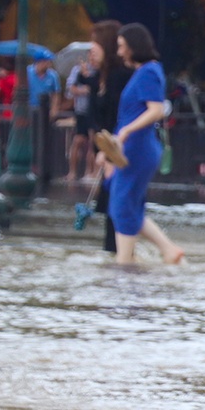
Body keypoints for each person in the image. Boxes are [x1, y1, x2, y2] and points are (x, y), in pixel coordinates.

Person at [104, 22, 183, 265]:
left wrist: (127, 130)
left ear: (133, 46)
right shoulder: (146, 71)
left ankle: (125, 260)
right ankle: (167, 249)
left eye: (121, 46)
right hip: (131, 148)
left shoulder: (149, 72)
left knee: (122, 205)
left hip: (138, 149)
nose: (119, 52)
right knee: (126, 203)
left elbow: (156, 110)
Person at [88, 20, 131, 253]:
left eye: (96, 43)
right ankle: (115, 254)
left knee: (118, 206)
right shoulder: (98, 79)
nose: (91, 51)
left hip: (117, 150)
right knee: (109, 207)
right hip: (104, 150)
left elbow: (119, 117)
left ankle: (122, 254)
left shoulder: (120, 77)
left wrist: (108, 153)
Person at [67, 42, 101, 182]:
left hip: (95, 110)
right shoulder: (78, 70)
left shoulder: (99, 71)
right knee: (78, 140)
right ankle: (72, 172)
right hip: (81, 109)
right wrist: (83, 89)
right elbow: (71, 89)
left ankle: (91, 171)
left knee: (94, 140)